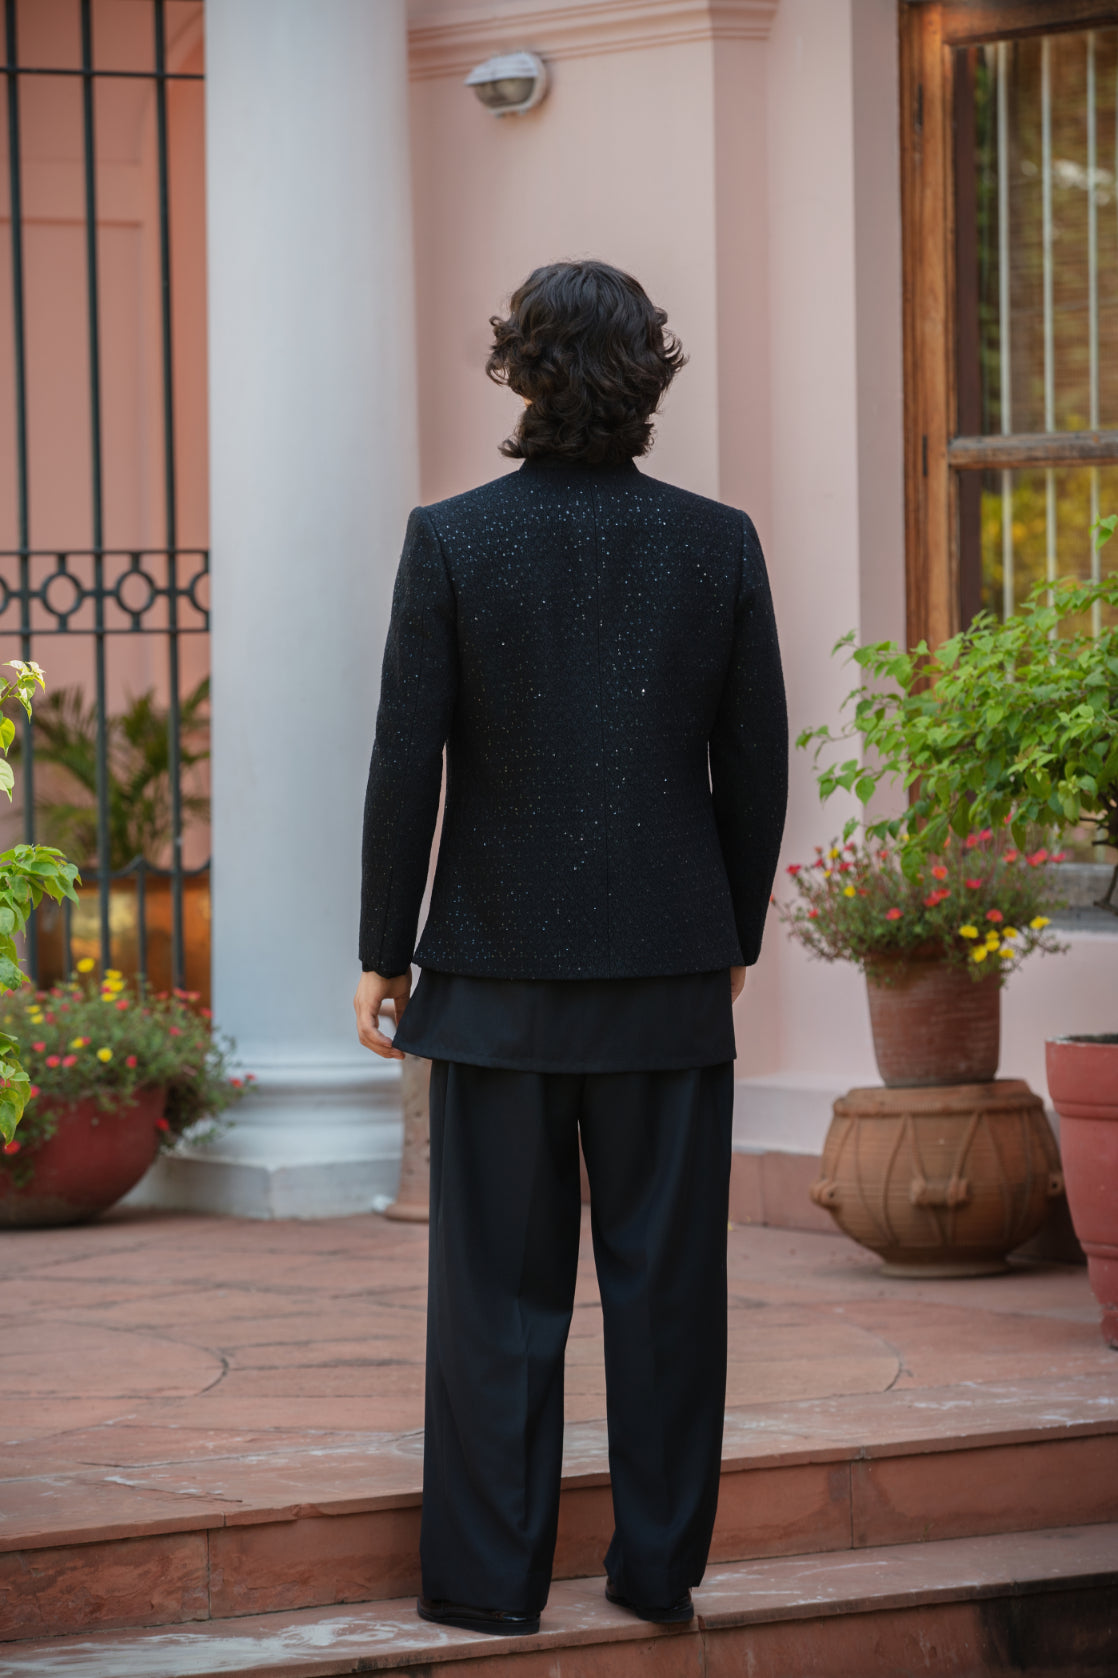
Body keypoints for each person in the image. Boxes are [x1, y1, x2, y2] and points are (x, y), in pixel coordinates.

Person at [354, 259, 787, 1639]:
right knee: (669, 1294)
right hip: (669, 977)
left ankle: (489, 1582)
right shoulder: (718, 542)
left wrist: (382, 950)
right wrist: (730, 932)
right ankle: (655, 1572)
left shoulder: (451, 539)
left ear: (517, 370)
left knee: (496, 1297)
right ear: (651, 376)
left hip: (492, 985)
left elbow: (404, 762)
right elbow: (756, 767)